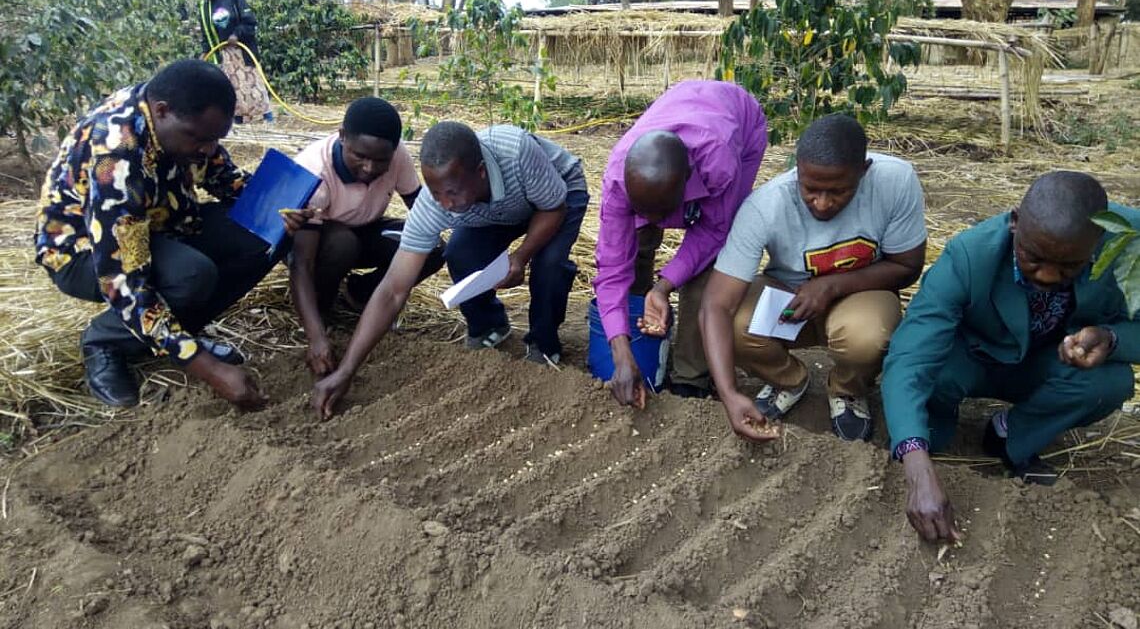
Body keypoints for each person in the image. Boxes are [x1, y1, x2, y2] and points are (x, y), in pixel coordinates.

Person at [882, 171, 1138, 543]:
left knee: (1111, 382)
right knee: (929, 380)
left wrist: (1111, 338)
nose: (1048, 275)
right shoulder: (970, 254)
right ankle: (934, 423)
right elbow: (910, 355)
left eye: (1069, 267)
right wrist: (916, 464)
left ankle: (1009, 436)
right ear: (1015, 222)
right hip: (972, 358)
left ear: (1097, 242)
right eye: (1033, 258)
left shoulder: (1129, 243)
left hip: (1049, 362)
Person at [34, 59, 303, 409]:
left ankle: (177, 332)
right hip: (85, 253)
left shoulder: (183, 121)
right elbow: (124, 280)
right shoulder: (116, 159)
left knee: (264, 233)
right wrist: (207, 368)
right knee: (192, 275)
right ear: (161, 112)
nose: (208, 150)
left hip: (161, 230)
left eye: (215, 140)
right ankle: (105, 342)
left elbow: (227, 181)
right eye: (201, 139)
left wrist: (284, 209)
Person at [310, 121, 589, 419]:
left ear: (480, 172)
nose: (445, 204)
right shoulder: (439, 203)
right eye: (435, 193)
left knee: (549, 264)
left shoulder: (516, 151)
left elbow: (553, 208)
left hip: (556, 194)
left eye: (452, 193)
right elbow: (393, 289)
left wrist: (520, 256)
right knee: (459, 253)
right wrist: (347, 370)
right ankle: (489, 326)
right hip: (496, 209)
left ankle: (544, 346)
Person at [700, 114, 927, 443]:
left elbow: (908, 266)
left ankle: (848, 390)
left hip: (861, 292)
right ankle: (788, 380)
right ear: (798, 167)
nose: (822, 202)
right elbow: (715, 306)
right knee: (735, 322)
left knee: (868, 337)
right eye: (810, 188)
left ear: (863, 170)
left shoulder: (895, 182)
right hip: (791, 298)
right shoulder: (766, 205)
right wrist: (729, 393)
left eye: (838, 191)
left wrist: (832, 285)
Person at [595, 80, 767, 406]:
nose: (658, 222)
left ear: (687, 183)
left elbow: (713, 232)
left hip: (739, 125)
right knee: (636, 251)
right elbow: (611, 268)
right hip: (686, 118)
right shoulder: (618, 179)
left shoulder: (719, 161)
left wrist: (665, 286)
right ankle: (642, 334)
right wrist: (619, 351)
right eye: (643, 212)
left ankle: (691, 376)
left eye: (664, 214)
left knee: (709, 269)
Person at [290, 97, 445, 376]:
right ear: (341, 137)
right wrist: (315, 338)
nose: (370, 168)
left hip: (365, 229)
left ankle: (359, 294)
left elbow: (423, 211)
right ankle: (321, 306)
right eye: (359, 156)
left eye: (380, 160)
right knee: (342, 244)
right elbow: (301, 263)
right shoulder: (314, 173)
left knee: (432, 246)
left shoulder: (397, 157)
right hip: (320, 239)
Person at [196, 0, 273, 124]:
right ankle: (238, 119)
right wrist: (205, 52)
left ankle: (267, 117)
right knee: (232, 88)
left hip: (243, 51)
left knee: (253, 83)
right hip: (223, 54)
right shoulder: (205, 7)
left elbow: (250, 22)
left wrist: (236, 34)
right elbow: (206, 34)